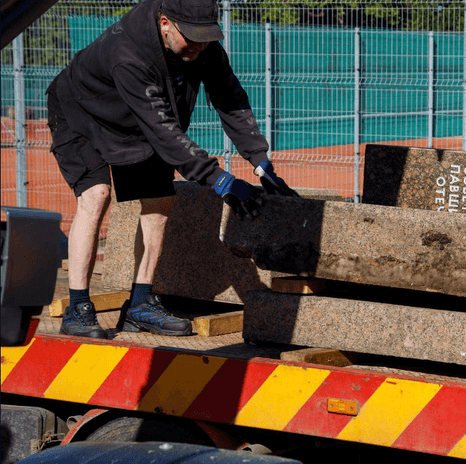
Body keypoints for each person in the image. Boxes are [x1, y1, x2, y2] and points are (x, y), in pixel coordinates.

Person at [47, 0, 298, 339]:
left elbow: (230, 97)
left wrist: (260, 161)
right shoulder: (127, 54)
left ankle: (139, 305)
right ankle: (77, 307)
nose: (199, 45)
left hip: (136, 122)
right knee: (96, 194)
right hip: (81, 112)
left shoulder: (201, 47)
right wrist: (219, 179)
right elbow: (163, 129)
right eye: (191, 37)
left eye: (206, 37)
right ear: (165, 23)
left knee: (158, 202)